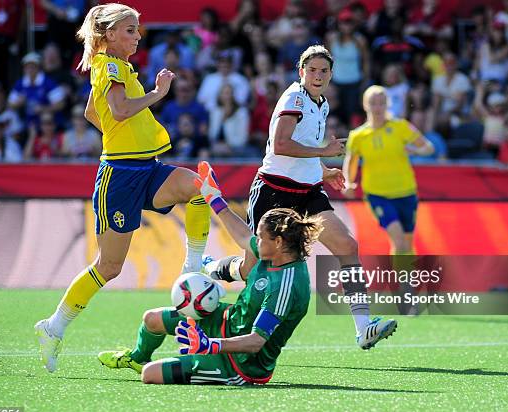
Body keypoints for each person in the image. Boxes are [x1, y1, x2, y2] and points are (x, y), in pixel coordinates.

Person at [34, 3, 211, 373]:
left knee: (199, 188)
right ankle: (53, 327)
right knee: (109, 266)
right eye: (130, 29)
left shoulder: (115, 66)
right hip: (119, 177)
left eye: (138, 29)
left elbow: (91, 114)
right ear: (109, 34)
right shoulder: (110, 65)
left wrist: (120, 135)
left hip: (145, 166)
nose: (138, 35)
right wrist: (157, 94)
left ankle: (193, 265)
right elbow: (118, 110)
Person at [98, 161, 321, 386]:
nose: (256, 241)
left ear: (280, 241)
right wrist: (214, 199)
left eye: (261, 237)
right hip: (226, 322)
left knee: (151, 375)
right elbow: (243, 236)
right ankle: (137, 358)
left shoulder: (286, 285)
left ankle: (194, 362)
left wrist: (209, 345)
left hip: (240, 363)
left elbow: (256, 342)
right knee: (152, 319)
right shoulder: (273, 252)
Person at [237, 45, 396, 349]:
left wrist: (323, 170)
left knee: (347, 246)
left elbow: (303, 146)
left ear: (331, 75)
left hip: (308, 192)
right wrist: (324, 152)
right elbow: (281, 145)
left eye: (324, 71)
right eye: (312, 70)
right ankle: (214, 269)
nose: (318, 75)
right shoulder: (294, 98)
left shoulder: (320, 103)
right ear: (301, 72)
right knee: (251, 267)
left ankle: (364, 327)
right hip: (274, 190)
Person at [343, 85, 434, 256]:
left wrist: (415, 150)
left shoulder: (400, 126)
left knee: (406, 243)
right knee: (398, 239)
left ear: (388, 104)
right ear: (365, 105)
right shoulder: (358, 136)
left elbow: (428, 148)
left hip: (406, 191)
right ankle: (403, 283)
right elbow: (351, 161)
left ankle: (406, 278)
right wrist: (348, 182)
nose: (377, 107)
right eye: (373, 103)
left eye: (381, 103)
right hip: (377, 194)